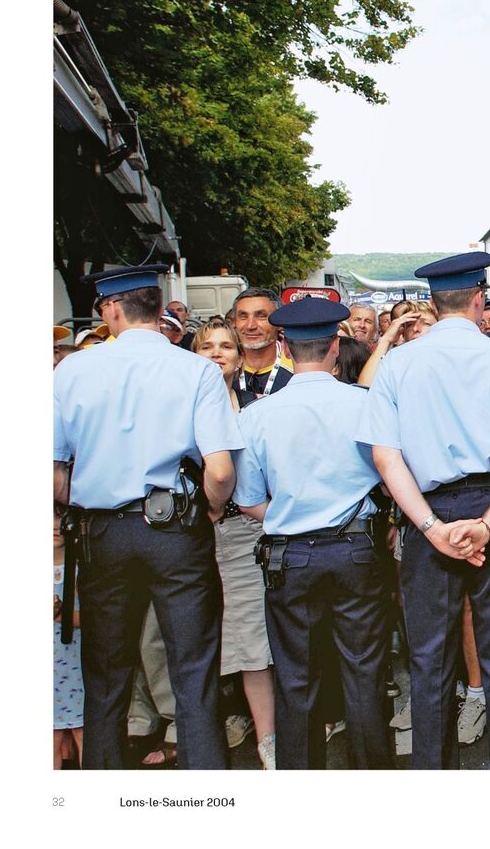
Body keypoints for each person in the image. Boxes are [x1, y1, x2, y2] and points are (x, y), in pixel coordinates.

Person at [357, 251, 490, 770]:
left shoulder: (398, 364)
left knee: (429, 658)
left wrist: (429, 526)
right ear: (477, 299)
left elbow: (384, 456)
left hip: (430, 511)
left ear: (431, 301)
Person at [53, 264, 244, 769]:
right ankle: (208, 792)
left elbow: (53, 475)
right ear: (159, 308)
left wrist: (89, 499)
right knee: (194, 671)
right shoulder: (196, 369)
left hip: (102, 532)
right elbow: (220, 470)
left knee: (107, 677)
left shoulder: (72, 370)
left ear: (112, 309)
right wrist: (211, 508)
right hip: (176, 527)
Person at [233, 297, 393, 770]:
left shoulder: (256, 416)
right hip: (355, 547)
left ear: (284, 346)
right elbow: (387, 474)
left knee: (296, 678)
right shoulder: (363, 403)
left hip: (290, 554)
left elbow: (247, 500)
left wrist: (289, 514)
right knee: (363, 672)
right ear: (334, 346)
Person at [193, 318, 277, 769]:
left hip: (259, 528)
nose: (218, 353)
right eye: (208, 346)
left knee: (262, 633)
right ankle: (254, 731)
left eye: (226, 346)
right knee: (233, 637)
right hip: (201, 534)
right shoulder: (183, 406)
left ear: (239, 356)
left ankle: (271, 738)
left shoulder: (253, 405)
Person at [54, 518, 84, 768]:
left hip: (78, 663)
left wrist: (60, 614)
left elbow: (95, 618)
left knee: (83, 732)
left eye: (59, 518)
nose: (54, 526)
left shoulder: (81, 569)